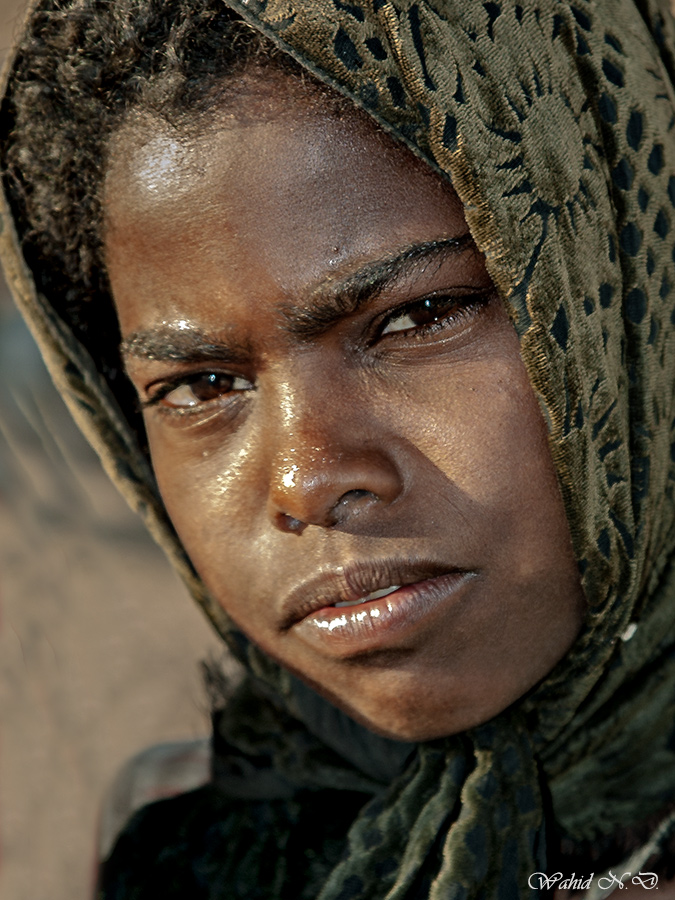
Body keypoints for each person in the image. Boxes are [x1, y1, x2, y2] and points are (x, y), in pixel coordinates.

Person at [1, 0, 675, 896]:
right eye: (201, 387)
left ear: (622, 290)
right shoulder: (185, 860)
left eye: (417, 318)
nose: (307, 478)